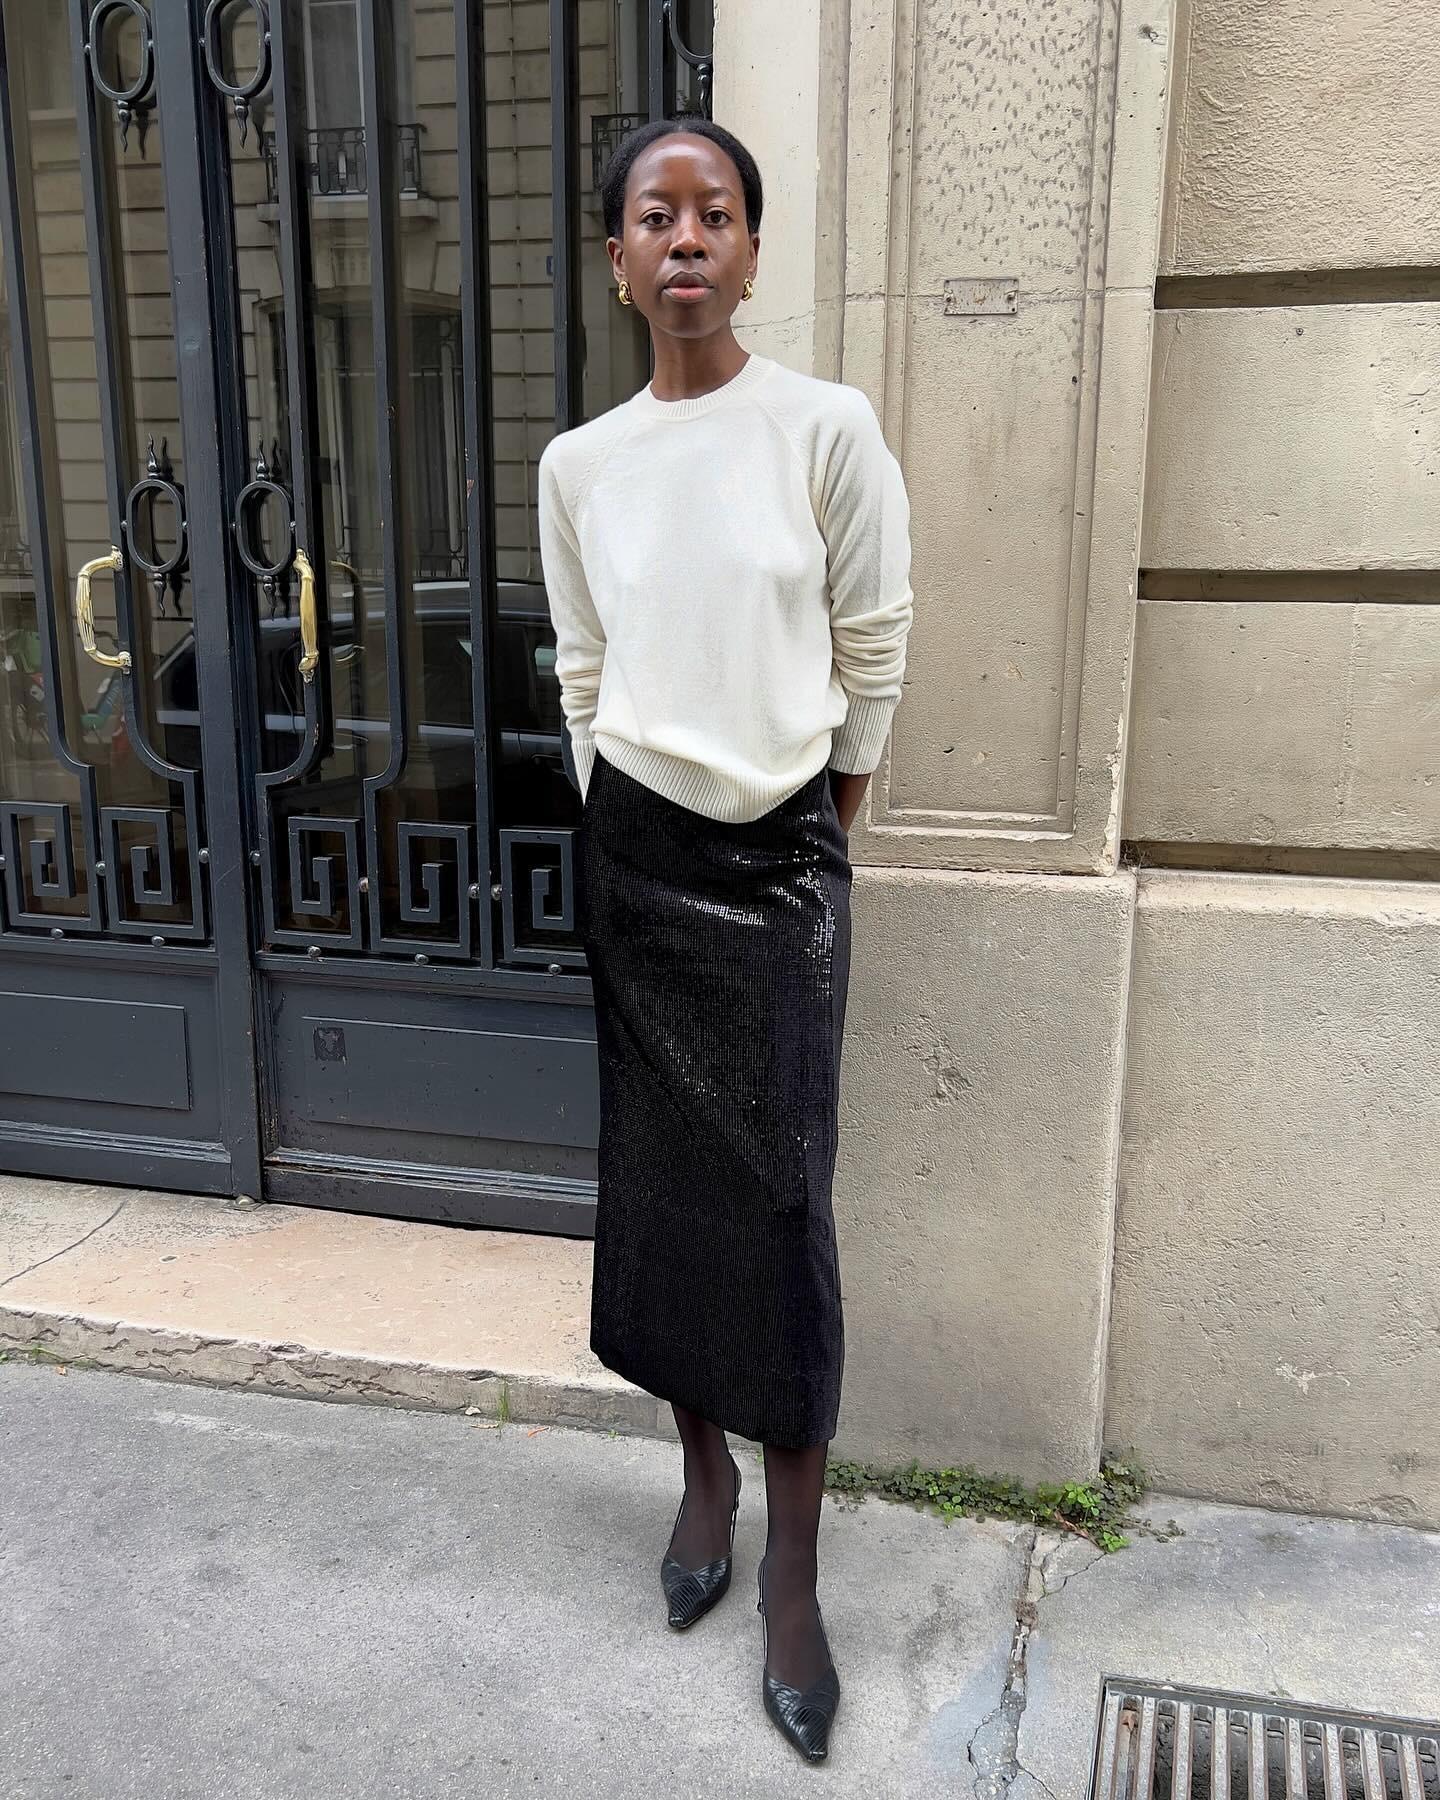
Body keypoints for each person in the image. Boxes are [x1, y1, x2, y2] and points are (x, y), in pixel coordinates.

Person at [537, 115, 914, 1764]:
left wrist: (827, 826)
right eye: (653, 216)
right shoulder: (580, 465)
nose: (685, 239)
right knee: (669, 1191)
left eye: (716, 214)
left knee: (779, 1206)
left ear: (753, 253)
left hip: (778, 865)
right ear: (617, 262)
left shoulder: (824, 428)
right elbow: (580, 662)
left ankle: (795, 1578)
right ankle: (699, 1482)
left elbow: (874, 635)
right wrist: (605, 801)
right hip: (637, 852)